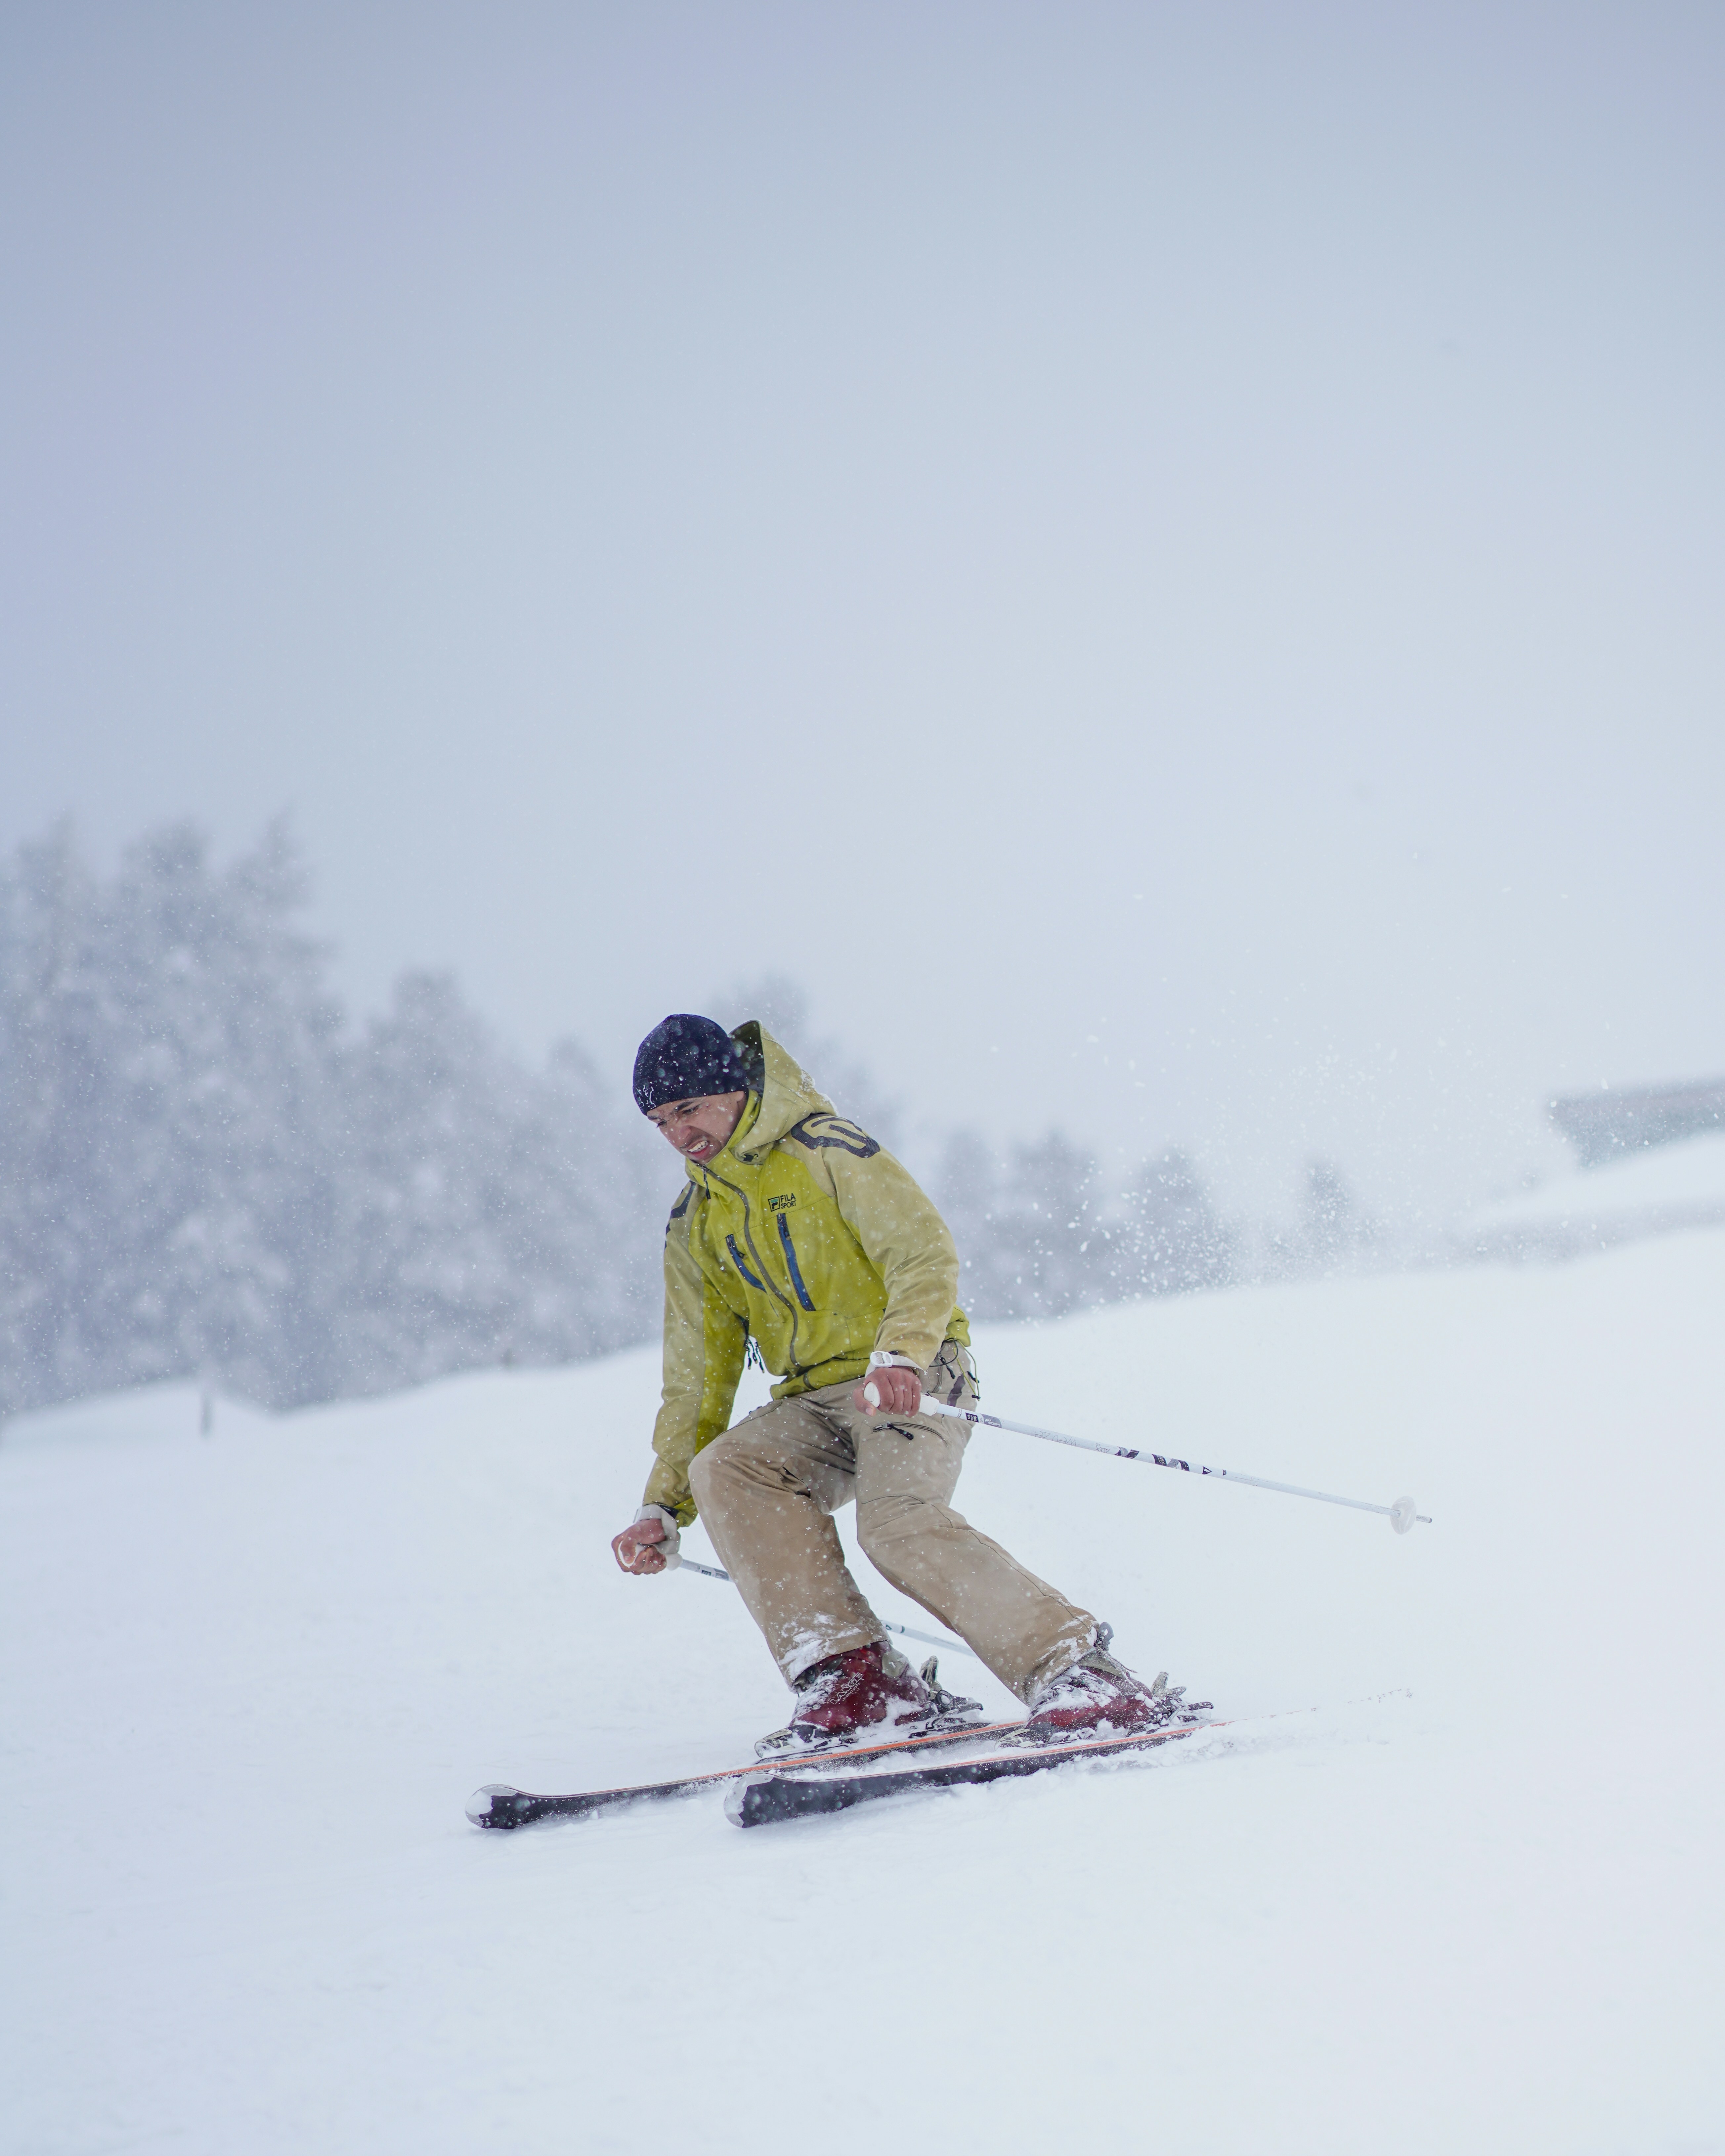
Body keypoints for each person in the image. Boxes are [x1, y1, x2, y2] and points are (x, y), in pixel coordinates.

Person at [611, 1012, 1187, 1756]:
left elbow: (922, 1252)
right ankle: (858, 1679)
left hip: (915, 1373)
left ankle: (1082, 1671)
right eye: (660, 1121)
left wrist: (903, 1354)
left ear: (733, 1089)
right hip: (812, 1399)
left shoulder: (827, 1148)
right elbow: (696, 1371)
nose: (678, 1134)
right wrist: (662, 1503)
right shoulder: (696, 1219)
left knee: (895, 1524)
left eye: (689, 1108)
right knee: (726, 1466)